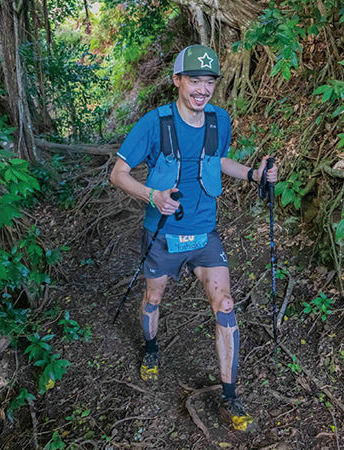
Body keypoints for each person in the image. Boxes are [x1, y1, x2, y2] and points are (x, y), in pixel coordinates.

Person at [110, 44, 278, 432]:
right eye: (194, 80)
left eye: (209, 81)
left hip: (204, 233)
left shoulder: (220, 120)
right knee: (153, 297)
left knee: (226, 305)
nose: (202, 89)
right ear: (177, 81)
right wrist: (152, 196)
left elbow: (216, 162)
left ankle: (230, 397)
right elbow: (118, 173)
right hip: (163, 235)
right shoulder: (154, 123)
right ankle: (151, 350)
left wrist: (255, 174)